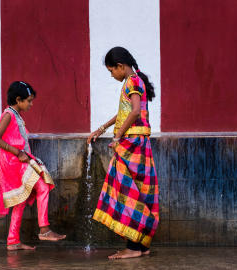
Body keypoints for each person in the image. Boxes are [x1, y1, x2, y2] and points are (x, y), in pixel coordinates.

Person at [88, 47, 159, 259]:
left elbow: (135, 111)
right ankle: (141, 245)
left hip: (132, 144)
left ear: (120, 66)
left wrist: (117, 136)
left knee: (127, 192)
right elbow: (124, 112)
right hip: (139, 143)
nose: (112, 75)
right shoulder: (136, 81)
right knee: (139, 192)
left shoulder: (132, 81)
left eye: (111, 71)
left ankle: (133, 249)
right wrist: (101, 129)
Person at [0, 81, 66, 250]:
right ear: (18, 100)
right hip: (14, 161)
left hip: (19, 160)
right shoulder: (9, 115)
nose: (31, 104)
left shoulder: (16, 115)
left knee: (21, 199)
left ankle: (13, 241)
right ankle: (44, 229)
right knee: (43, 187)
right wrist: (18, 152)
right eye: (29, 100)